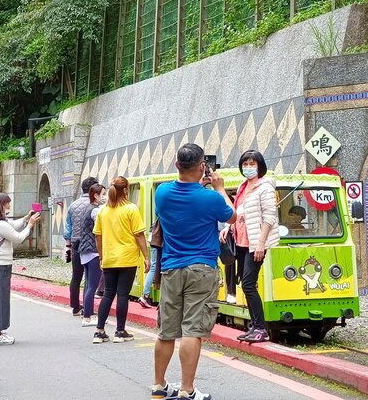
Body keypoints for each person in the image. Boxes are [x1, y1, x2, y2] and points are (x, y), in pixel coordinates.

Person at [151, 143, 235, 400]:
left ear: (177, 165)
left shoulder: (162, 193)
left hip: (171, 268)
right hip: (202, 269)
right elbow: (231, 216)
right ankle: (187, 389)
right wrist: (219, 187)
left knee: (167, 330)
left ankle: (159, 385)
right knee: (192, 330)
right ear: (202, 167)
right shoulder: (209, 198)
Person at [92, 176, 149, 344]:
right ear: (125, 190)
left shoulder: (103, 210)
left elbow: (98, 236)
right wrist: (146, 256)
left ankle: (99, 331)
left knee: (108, 293)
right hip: (127, 258)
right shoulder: (131, 209)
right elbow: (139, 234)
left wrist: (102, 256)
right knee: (122, 294)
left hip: (109, 258)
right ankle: (120, 331)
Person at [231, 150, 279, 343]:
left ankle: (261, 328)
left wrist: (261, 243)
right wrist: (228, 227)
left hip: (255, 243)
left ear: (260, 166)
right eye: (245, 164)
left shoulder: (265, 187)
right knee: (246, 283)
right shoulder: (244, 187)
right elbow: (240, 212)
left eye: (252, 164)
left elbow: (269, 216)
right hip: (242, 241)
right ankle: (254, 326)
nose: (248, 167)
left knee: (249, 284)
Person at [0, 193, 41, 345]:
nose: (9, 206)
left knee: (1, 300)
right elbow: (18, 237)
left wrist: (27, 218)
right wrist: (30, 225)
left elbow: (13, 225)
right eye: (6, 203)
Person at [65, 176, 99, 316]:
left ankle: (74, 306)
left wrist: (68, 246)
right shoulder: (94, 206)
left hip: (75, 243)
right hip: (90, 243)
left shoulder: (73, 205)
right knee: (89, 277)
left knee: (76, 276)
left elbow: (68, 228)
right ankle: (87, 307)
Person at [79, 183, 106, 327]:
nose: (104, 197)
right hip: (93, 251)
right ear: (95, 195)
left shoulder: (87, 208)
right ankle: (87, 317)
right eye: (103, 194)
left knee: (88, 284)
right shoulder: (95, 211)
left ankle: (87, 313)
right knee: (92, 286)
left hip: (85, 250)